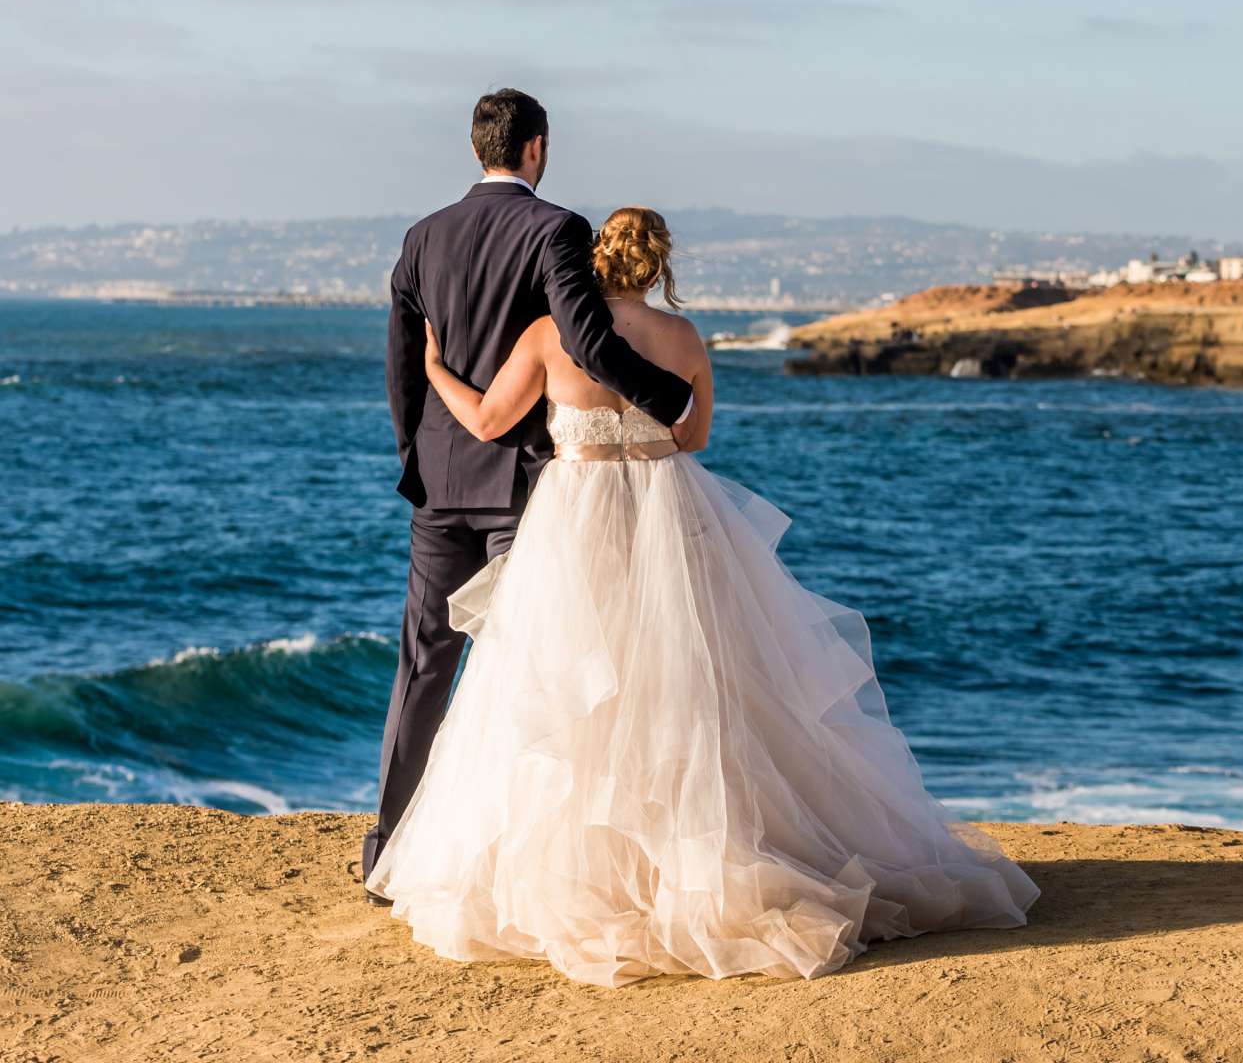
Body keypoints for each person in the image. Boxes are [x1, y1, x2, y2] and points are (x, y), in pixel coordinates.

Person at [367, 205, 1039, 983]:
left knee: (569, 692)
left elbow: (488, 422)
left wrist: (435, 371)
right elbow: (695, 437)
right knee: (691, 687)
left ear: (590, 266)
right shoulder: (683, 341)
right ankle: (697, 855)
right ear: (657, 267)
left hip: (575, 522)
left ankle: (597, 869)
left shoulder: (549, 335)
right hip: (670, 513)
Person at [362, 92, 694, 885]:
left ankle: (387, 853)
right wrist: (667, 400)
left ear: (478, 147)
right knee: (533, 667)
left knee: (423, 666)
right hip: (526, 483)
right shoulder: (556, 230)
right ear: (536, 149)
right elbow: (585, 339)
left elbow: (404, 366)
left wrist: (415, 457)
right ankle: (517, 858)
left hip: (441, 480)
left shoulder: (421, 237)